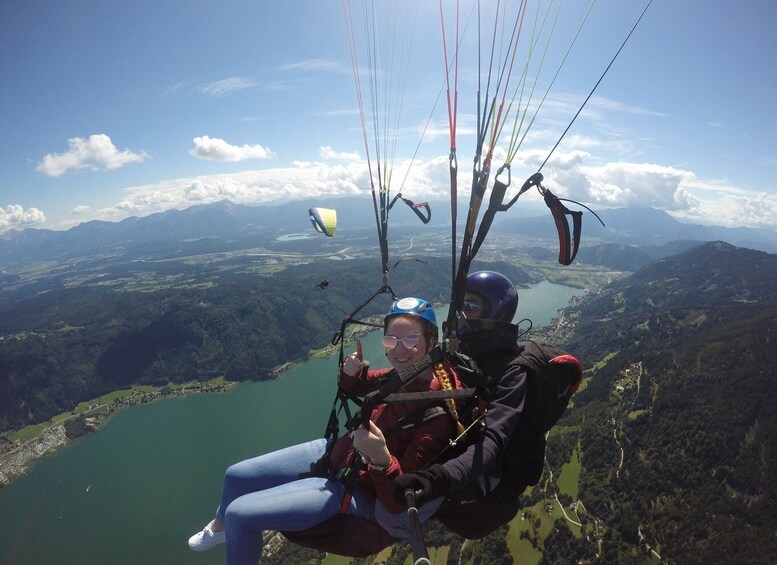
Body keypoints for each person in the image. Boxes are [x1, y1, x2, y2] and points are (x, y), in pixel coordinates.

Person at [187, 297, 462, 563]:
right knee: (235, 476)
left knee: (240, 515)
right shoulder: (398, 376)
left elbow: (400, 502)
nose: (399, 350)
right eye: (392, 340)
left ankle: (232, 532)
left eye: (411, 339)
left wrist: (381, 459)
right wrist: (351, 372)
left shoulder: (435, 416)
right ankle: (219, 528)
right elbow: (355, 385)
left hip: (356, 494)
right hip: (338, 455)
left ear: (432, 342)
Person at [391, 270, 540, 539]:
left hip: (480, 478)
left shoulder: (512, 372)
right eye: (459, 307)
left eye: (470, 307)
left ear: (495, 311)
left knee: (384, 519)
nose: (460, 314)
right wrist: (355, 379)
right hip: (447, 456)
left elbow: (493, 440)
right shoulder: (465, 352)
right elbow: (411, 376)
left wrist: (436, 479)